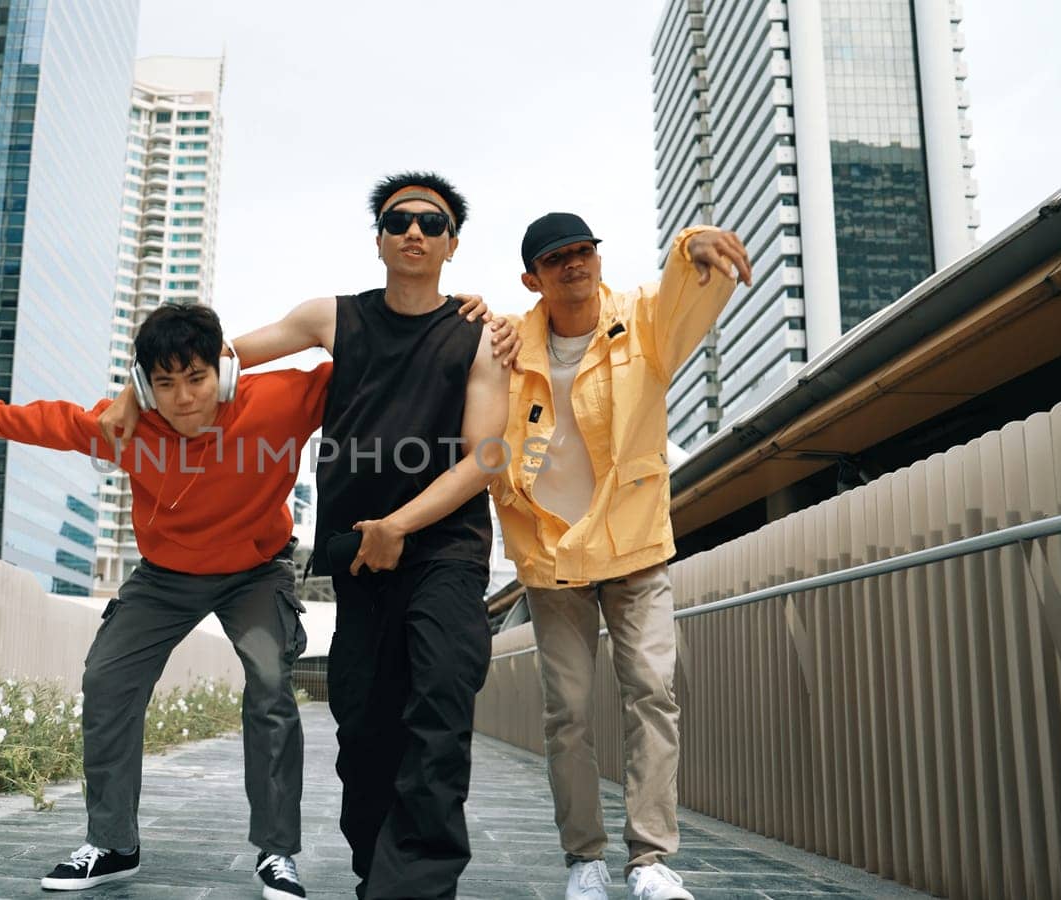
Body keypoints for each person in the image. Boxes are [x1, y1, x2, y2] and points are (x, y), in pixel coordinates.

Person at [103, 171, 511, 899]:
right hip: (356, 558)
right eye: (397, 220)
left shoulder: (479, 337)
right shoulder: (331, 316)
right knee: (364, 727)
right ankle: (376, 871)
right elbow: (217, 361)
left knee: (441, 704)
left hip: (444, 550)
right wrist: (134, 398)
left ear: (452, 244)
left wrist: (400, 525)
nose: (413, 230)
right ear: (380, 237)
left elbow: (486, 458)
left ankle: (411, 888)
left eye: (430, 221)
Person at [0, 303, 322, 900]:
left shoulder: (277, 402)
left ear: (223, 370)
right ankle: (114, 844)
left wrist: (471, 327)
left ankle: (277, 854)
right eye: (164, 384)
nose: (184, 398)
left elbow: (372, 362)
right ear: (143, 386)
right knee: (107, 679)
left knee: (271, 686)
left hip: (255, 574)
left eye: (196, 379)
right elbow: (50, 423)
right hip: (165, 577)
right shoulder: (127, 425)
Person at [491, 212, 751, 900]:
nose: (575, 264)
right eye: (557, 259)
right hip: (554, 557)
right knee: (567, 712)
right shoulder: (510, 347)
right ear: (533, 278)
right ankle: (585, 858)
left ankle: (651, 861)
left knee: (652, 692)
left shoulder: (642, 321)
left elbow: (685, 287)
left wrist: (693, 241)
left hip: (634, 547)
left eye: (584, 252)